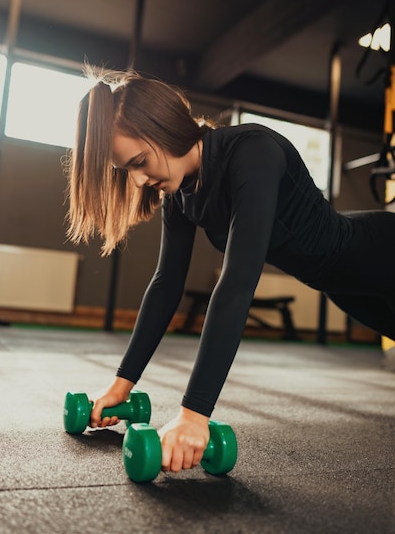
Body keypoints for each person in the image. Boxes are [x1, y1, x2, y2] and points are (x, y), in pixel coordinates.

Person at [66, 69, 395, 474]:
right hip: (343, 283)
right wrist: (122, 383)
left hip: (381, 253)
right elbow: (166, 284)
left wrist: (194, 413)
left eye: (139, 162)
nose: (137, 180)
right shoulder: (181, 193)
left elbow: (237, 283)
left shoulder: (252, 151)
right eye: (126, 170)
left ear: (164, 128)